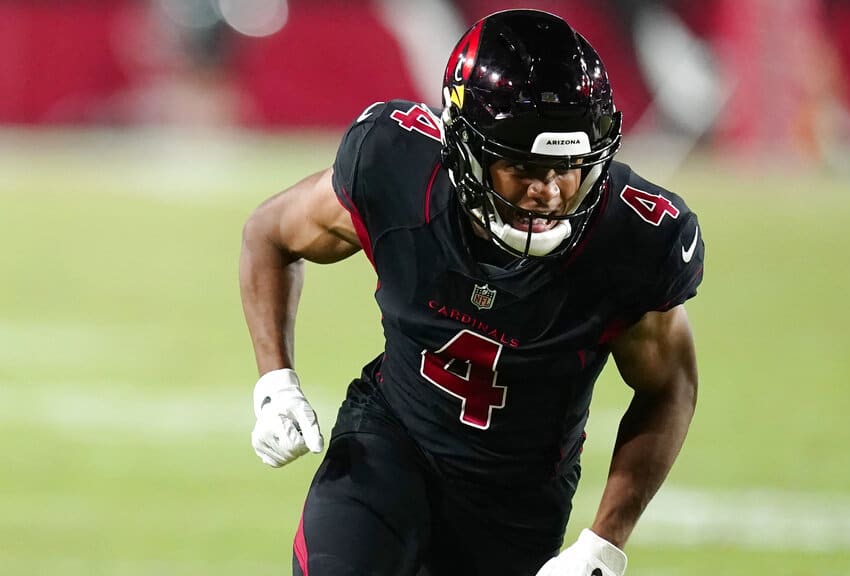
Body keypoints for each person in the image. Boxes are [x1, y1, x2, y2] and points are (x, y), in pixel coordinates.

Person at [240, 9, 704, 576]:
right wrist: (275, 382)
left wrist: (603, 544)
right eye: (524, 166)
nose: (550, 191)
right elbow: (269, 233)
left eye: (570, 166)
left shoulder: (631, 239)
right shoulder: (399, 168)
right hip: (391, 445)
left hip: (517, 505)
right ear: (465, 151)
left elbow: (669, 384)